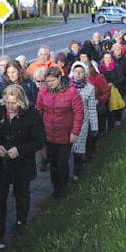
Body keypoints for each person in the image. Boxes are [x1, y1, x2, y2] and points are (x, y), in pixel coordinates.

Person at [0, 84, 44, 250]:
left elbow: (39, 140)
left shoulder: (32, 115)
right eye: (7, 102)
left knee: (21, 194)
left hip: (21, 163)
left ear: (21, 102)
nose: (10, 107)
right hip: (0, 163)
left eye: (14, 103)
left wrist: (20, 150)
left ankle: (21, 222)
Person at [36, 67, 83, 199]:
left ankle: (63, 188)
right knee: (53, 163)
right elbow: (38, 110)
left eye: (51, 81)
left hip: (65, 134)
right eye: (47, 81)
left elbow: (79, 113)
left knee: (62, 163)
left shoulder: (72, 92)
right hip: (49, 134)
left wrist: (75, 132)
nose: (49, 84)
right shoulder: (43, 92)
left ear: (59, 78)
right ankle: (55, 187)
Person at [69, 62, 98, 182]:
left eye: (81, 72)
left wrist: (94, 126)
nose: (78, 74)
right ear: (72, 72)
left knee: (78, 149)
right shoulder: (67, 86)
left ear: (85, 73)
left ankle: (76, 172)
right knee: (66, 148)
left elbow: (92, 108)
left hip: (82, 122)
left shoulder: (89, 88)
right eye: (76, 71)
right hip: (67, 121)